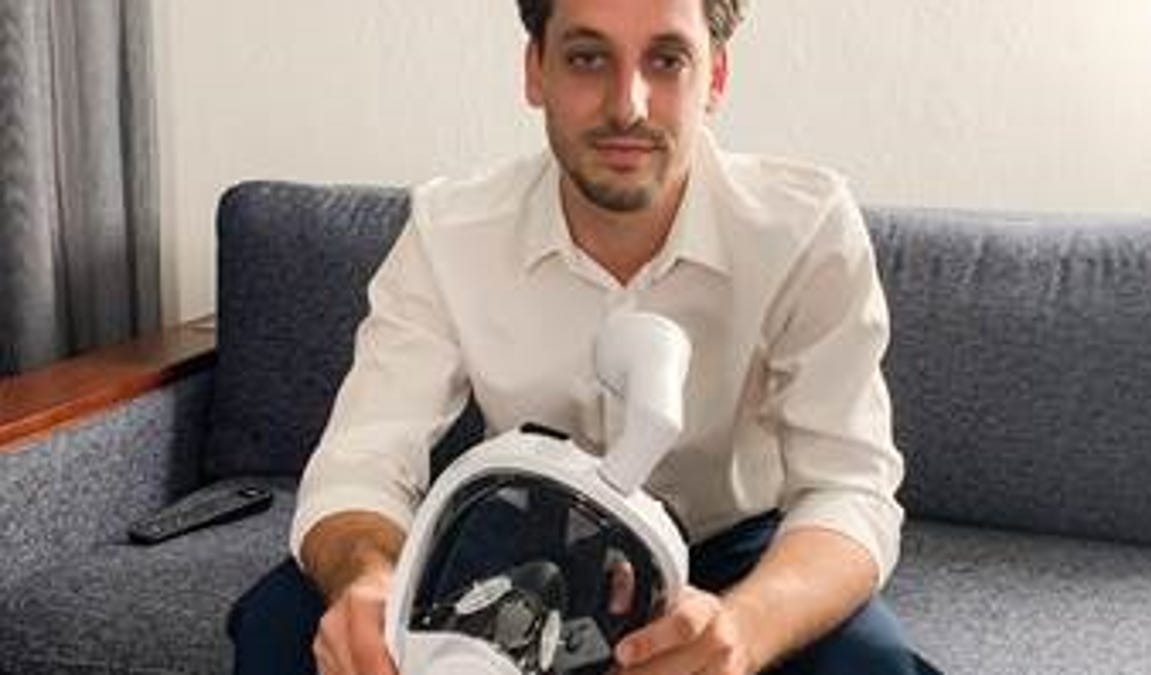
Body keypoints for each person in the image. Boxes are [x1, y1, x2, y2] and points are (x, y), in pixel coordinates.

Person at [229, 0, 938, 673]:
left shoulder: (806, 228)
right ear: (535, 70)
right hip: (520, 542)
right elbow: (361, 463)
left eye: (666, 60)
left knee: (870, 664)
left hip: (733, 550)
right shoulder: (450, 230)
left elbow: (851, 486)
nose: (627, 104)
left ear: (715, 75)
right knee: (282, 624)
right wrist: (370, 581)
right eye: (588, 58)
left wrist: (743, 630)